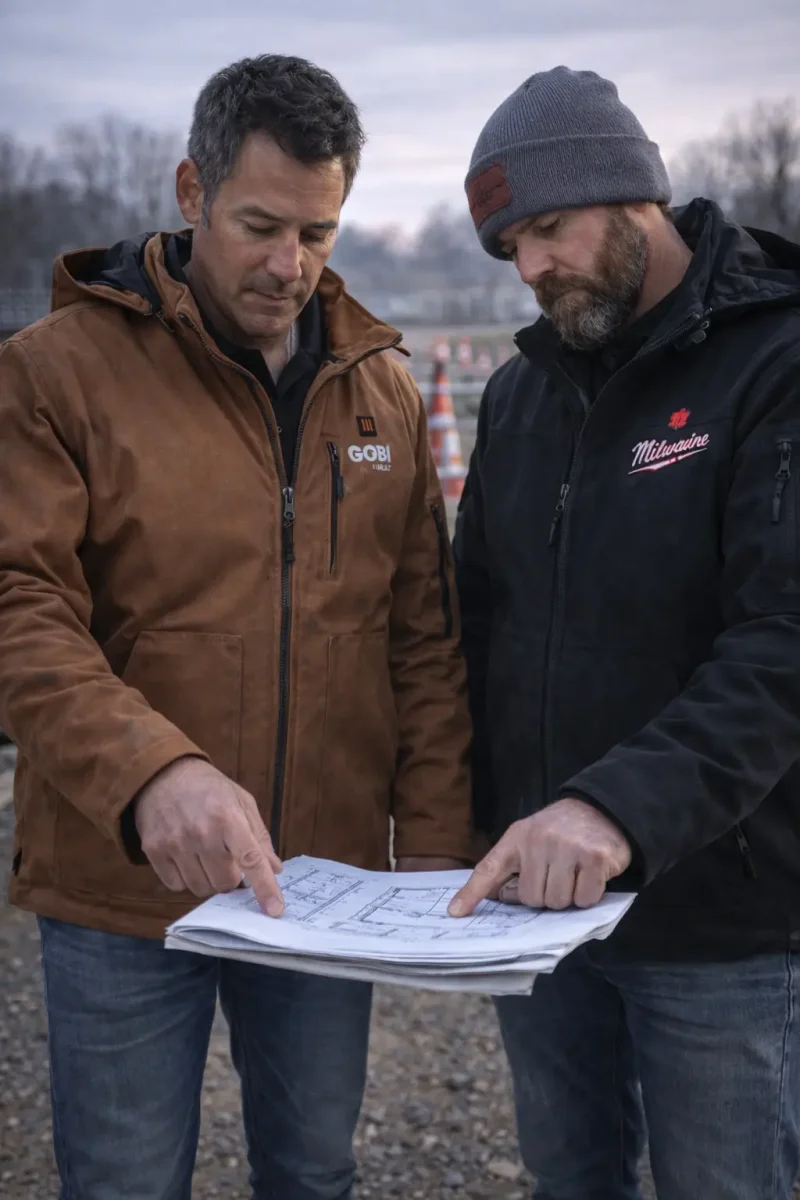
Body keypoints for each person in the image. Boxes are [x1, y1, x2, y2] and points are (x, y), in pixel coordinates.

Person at [0, 55, 473, 1200]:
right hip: (121, 881)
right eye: (260, 225)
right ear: (189, 191)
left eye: (317, 233)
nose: (289, 266)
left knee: (315, 1173)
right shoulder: (53, 374)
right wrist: (152, 774)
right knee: (120, 1180)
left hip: (320, 886)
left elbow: (419, 636)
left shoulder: (383, 391)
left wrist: (443, 860)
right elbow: (19, 604)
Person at [449, 66, 800, 1199]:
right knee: (568, 1180)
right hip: (534, 915)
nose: (532, 266)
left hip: (722, 915)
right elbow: (474, 624)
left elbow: (781, 641)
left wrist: (612, 808)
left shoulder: (773, 362)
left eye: (548, 228)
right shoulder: (518, 395)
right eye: (510, 248)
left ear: (633, 192)